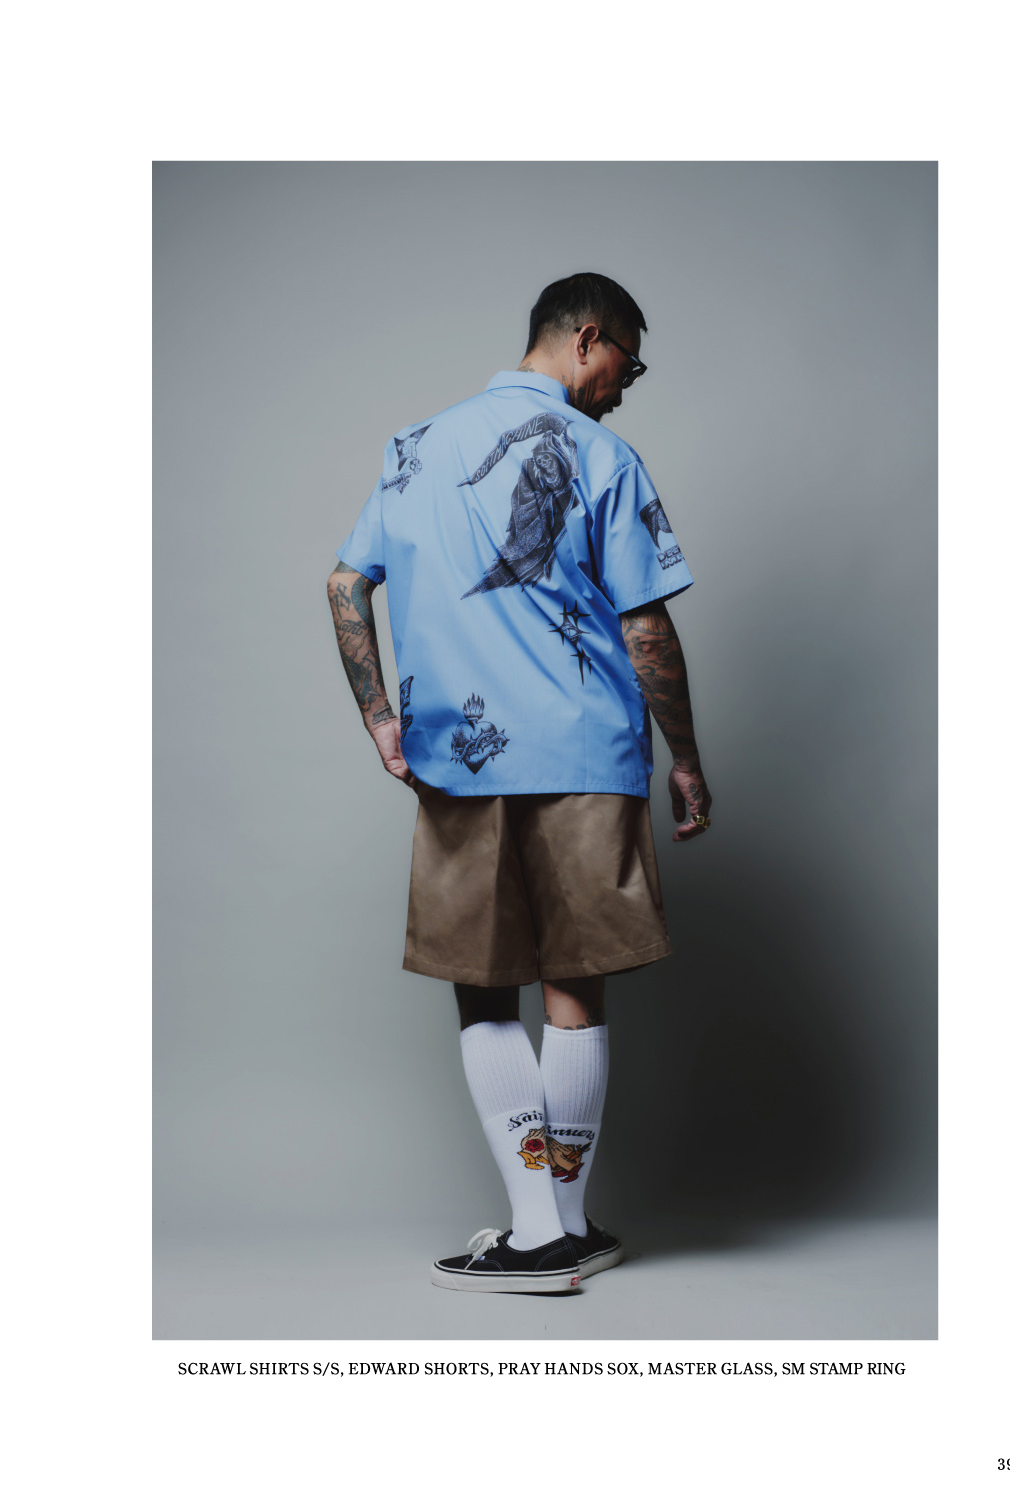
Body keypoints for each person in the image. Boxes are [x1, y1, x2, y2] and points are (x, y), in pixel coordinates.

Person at [327, 272, 712, 1294]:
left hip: (460, 758)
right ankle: (557, 1231)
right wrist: (683, 759)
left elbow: (344, 581)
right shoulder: (604, 456)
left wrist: (379, 717)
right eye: (626, 363)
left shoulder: (412, 447)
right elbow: (643, 624)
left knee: (485, 987)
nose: (626, 384)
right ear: (587, 339)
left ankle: (543, 1232)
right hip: (586, 755)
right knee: (573, 986)